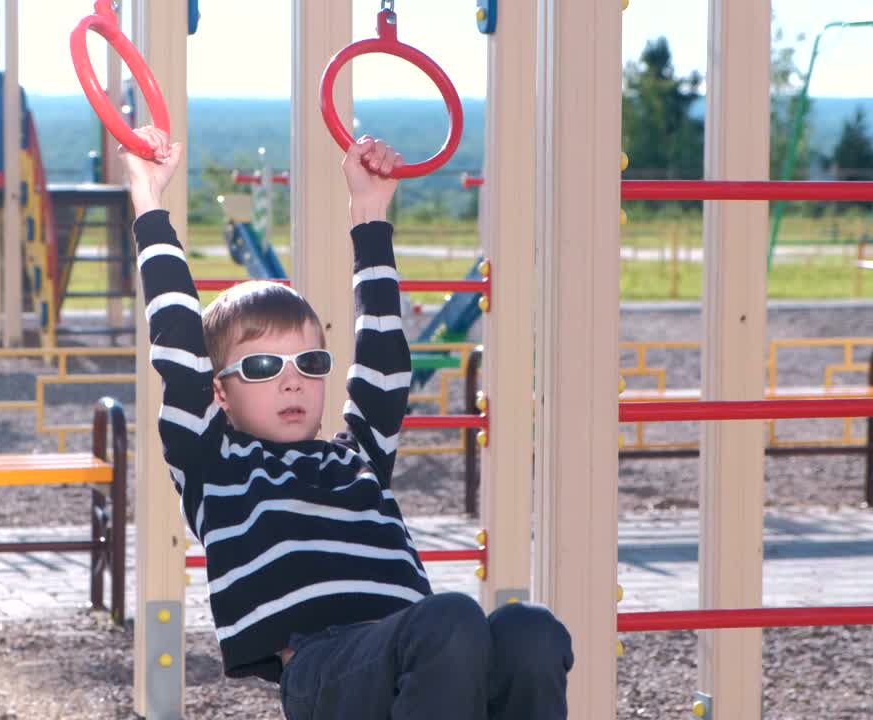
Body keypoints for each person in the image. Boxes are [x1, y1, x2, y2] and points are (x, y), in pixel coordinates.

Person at [122, 125, 573, 719]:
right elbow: (178, 346)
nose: (291, 380)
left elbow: (383, 354)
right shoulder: (214, 463)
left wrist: (369, 210)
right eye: (260, 366)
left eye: (309, 363)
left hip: (420, 661)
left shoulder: (357, 454)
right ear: (219, 392)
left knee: (531, 631)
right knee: (453, 618)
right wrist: (148, 202)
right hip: (324, 670)